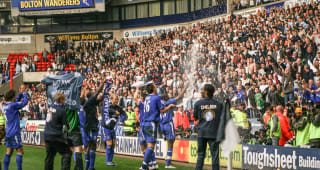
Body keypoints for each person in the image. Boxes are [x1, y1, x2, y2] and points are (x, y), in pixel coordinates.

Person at [140, 83, 175, 170]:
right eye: (156, 87)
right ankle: (144, 166)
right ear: (154, 89)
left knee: (150, 145)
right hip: (151, 123)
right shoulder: (157, 97)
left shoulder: (147, 97)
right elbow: (162, 110)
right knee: (151, 146)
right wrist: (170, 106)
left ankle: (152, 165)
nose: (157, 88)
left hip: (144, 123)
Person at [193, 84, 223, 170]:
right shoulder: (219, 104)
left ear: (206, 91)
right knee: (215, 156)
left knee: (201, 156)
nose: (201, 91)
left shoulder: (198, 103)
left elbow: (195, 118)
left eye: (202, 89)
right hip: (213, 133)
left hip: (202, 132)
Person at [160, 84, 188, 169]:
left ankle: (167, 159)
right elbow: (178, 97)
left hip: (161, 125)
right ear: (166, 98)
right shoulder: (167, 102)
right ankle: (168, 163)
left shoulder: (158, 104)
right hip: (168, 124)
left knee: (169, 142)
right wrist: (185, 88)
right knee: (171, 143)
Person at [101, 80, 127, 166]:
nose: (117, 101)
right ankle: (108, 161)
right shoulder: (108, 107)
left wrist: (123, 119)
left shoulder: (118, 107)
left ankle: (110, 161)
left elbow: (124, 115)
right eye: (115, 99)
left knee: (114, 144)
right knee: (110, 143)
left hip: (112, 128)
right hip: (106, 128)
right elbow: (108, 111)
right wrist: (116, 113)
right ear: (111, 99)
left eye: (117, 99)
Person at [3, 85, 28, 170]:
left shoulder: (6, 105)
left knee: (9, 151)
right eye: (15, 95)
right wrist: (24, 93)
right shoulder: (13, 105)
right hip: (14, 132)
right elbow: (25, 102)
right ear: (13, 96)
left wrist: (20, 94)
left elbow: (16, 102)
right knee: (20, 151)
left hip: (8, 132)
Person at [44, 93, 71, 170]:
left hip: (47, 135)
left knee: (49, 157)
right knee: (67, 153)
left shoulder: (50, 107)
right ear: (61, 100)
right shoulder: (61, 111)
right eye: (64, 100)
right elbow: (66, 126)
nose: (64, 101)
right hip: (56, 136)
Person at [83, 80, 104, 170]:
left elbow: (100, 99)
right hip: (91, 126)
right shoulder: (88, 102)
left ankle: (88, 167)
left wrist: (106, 90)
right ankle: (90, 167)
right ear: (91, 97)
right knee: (92, 145)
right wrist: (102, 84)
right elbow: (97, 93)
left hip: (91, 126)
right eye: (92, 93)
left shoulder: (92, 103)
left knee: (90, 146)